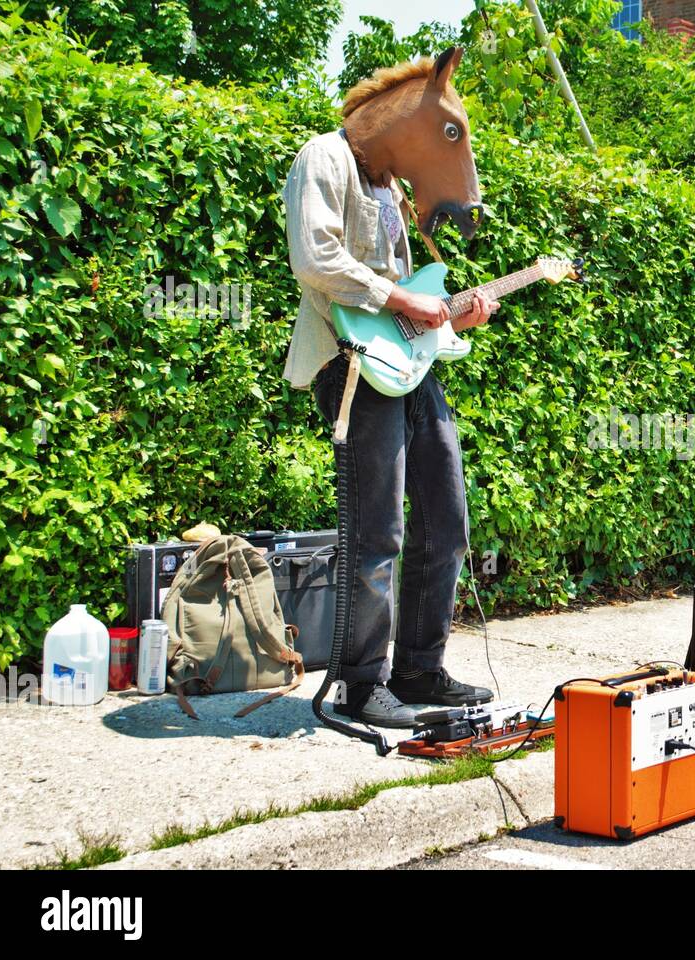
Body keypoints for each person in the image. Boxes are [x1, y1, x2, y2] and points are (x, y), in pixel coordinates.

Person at [280, 50, 498, 727]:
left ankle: (420, 670)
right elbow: (314, 256)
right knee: (378, 531)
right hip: (348, 365)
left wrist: (453, 310)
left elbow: (412, 303)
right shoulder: (325, 156)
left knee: (447, 519)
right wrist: (399, 296)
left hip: (404, 369)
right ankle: (360, 686)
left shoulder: (393, 193)